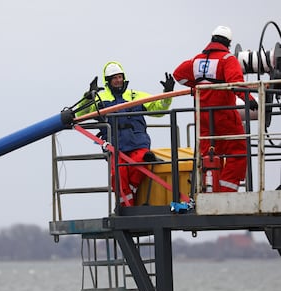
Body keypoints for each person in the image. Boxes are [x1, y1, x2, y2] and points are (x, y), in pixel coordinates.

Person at [75, 61, 175, 206]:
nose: (118, 80)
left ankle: (130, 200)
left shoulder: (135, 95)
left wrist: (167, 93)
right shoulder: (100, 99)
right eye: (114, 78)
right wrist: (88, 97)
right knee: (118, 175)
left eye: (120, 77)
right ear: (108, 81)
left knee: (142, 161)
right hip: (115, 147)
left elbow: (158, 108)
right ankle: (125, 208)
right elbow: (79, 114)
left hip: (138, 143)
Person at [173, 25, 258, 192]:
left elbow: (178, 75)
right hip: (224, 115)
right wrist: (249, 99)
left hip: (203, 117)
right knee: (238, 152)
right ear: (228, 43)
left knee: (209, 155)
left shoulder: (196, 60)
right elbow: (236, 83)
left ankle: (210, 191)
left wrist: (196, 86)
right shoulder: (227, 59)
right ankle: (227, 192)